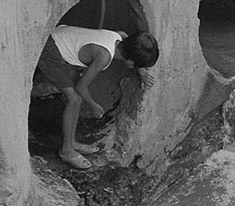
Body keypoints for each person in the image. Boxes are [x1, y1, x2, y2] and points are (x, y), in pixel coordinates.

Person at [36, 24, 159, 170]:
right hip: (50, 52)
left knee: (75, 88)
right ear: (131, 62)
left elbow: (134, 47)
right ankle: (67, 151)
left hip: (58, 35)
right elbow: (80, 87)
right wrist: (93, 105)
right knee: (75, 100)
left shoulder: (121, 35)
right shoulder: (104, 57)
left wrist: (142, 72)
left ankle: (72, 142)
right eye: (138, 65)